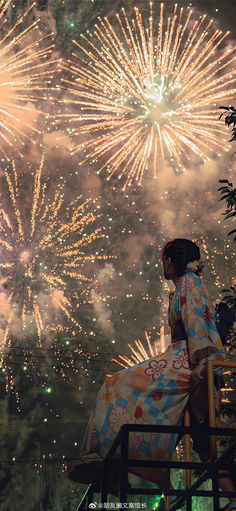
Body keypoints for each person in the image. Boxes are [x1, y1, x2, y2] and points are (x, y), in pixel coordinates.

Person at [73, 238, 235, 510]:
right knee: (204, 444)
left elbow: (195, 321)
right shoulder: (182, 287)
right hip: (185, 359)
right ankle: (230, 498)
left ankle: (103, 459)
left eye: (164, 259)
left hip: (186, 359)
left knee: (115, 385)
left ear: (171, 260)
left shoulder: (189, 282)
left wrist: (198, 365)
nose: (163, 264)